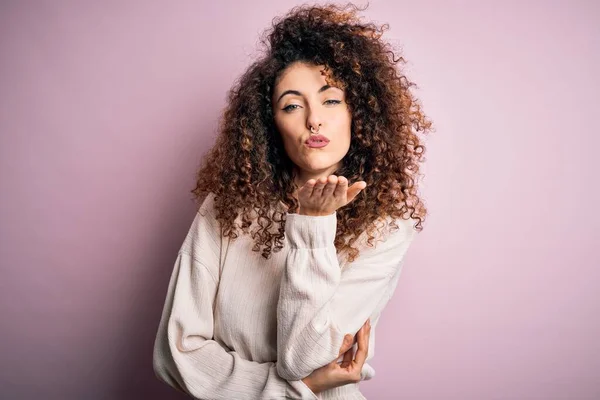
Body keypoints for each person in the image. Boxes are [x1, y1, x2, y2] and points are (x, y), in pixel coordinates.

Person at [152, 3, 432, 399]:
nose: (313, 119)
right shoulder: (227, 207)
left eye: (331, 100)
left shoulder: (385, 229)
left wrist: (315, 226)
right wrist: (301, 389)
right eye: (292, 105)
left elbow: (302, 358)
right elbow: (176, 353)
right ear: (272, 125)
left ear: (359, 115)